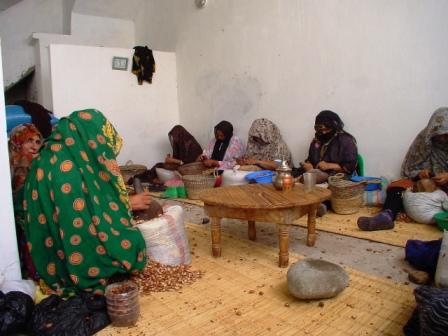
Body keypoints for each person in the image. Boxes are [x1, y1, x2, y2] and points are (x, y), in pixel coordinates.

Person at [23, 109, 149, 295]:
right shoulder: (67, 167)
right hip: (74, 258)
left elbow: (91, 196)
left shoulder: (49, 155)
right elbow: (82, 218)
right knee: (132, 244)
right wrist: (127, 207)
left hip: (44, 255)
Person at [358, 107, 448, 231]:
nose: (444, 137)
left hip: (445, 188)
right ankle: (386, 216)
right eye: (440, 133)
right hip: (425, 184)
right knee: (397, 187)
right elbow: (410, 169)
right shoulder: (424, 140)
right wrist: (420, 174)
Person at [9, 123, 44, 280]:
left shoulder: (39, 162)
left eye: (38, 142)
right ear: (18, 141)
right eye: (29, 140)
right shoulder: (8, 161)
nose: (34, 146)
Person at [302, 110, 358, 182]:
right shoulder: (316, 140)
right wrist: (308, 165)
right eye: (320, 129)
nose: (324, 132)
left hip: (339, 177)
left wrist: (330, 165)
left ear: (334, 126)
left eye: (327, 129)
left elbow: (351, 167)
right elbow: (310, 159)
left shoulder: (346, 141)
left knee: (312, 178)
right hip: (316, 174)